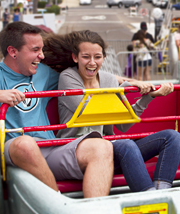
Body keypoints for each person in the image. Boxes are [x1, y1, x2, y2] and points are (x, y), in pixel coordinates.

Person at [0, 21, 114, 199]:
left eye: (42, 50)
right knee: (25, 144)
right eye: (35, 50)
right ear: (13, 52)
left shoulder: (43, 72)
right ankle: (60, 206)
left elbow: (84, 73)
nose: (42, 56)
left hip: (49, 150)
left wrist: (125, 81)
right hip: (14, 150)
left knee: (102, 147)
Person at [42, 30, 180, 192]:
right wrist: (125, 87)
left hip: (112, 148)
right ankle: (148, 198)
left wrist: (149, 97)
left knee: (172, 137)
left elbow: (122, 125)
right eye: (86, 57)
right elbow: (88, 110)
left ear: (104, 58)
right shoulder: (69, 77)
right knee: (126, 145)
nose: (92, 62)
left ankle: (162, 192)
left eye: (97, 57)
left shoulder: (108, 80)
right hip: (80, 149)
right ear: (75, 57)